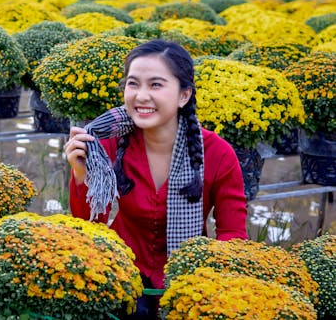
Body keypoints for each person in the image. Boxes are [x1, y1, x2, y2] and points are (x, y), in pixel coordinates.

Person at [64, 39, 248, 319]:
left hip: (189, 279)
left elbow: (232, 235)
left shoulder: (218, 153)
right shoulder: (109, 144)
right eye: (133, 84)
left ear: (184, 95)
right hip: (121, 274)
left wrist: (208, 290)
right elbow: (90, 227)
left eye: (156, 85)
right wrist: (81, 175)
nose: (141, 96)